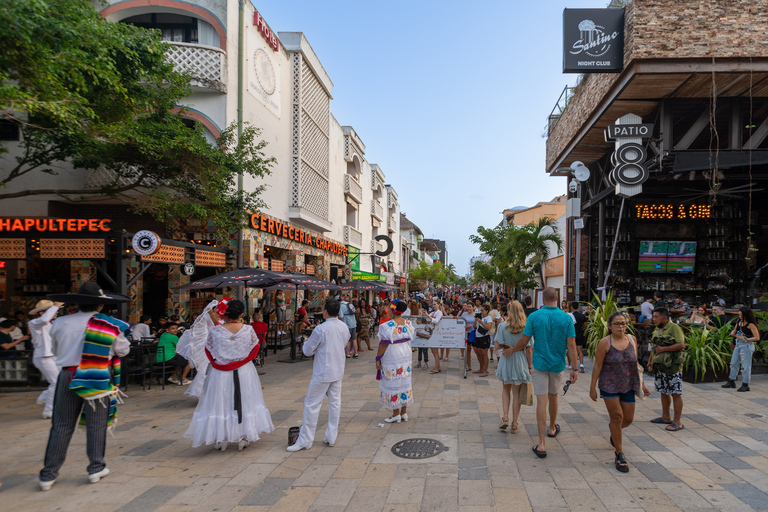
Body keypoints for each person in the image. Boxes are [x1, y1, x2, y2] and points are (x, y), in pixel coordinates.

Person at [39, 282, 131, 490]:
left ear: (78, 303)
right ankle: (96, 467)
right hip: (97, 375)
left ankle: (48, 474)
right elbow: (123, 350)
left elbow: (55, 349)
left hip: (67, 374)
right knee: (97, 424)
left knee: (61, 424)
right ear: (100, 305)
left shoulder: (60, 322)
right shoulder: (109, 324)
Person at [184, 299, 274, 451]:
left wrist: (222, 361)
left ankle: (222, 438)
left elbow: (209, 351)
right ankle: (244, 436)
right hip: (244, 371)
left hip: (220, 372)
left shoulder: (215, 331)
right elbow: (254, 349)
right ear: (242, 314)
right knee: (245, 400)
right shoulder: (248, 330)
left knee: (221, 401)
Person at [503, 287, 578, 459]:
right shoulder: (566, 318)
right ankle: (552, 427)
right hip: (557, 365)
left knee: (541, 401)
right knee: (554, 396)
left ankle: (542, 444)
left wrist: (513, 350)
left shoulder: (534, 317)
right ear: (557, 298)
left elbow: (524, 341)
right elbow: (572, 345)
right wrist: (574, 368)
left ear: (542, 299)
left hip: (539, 364)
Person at [589, 312, 651, 473]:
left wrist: (642, 384)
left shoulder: (632, 340)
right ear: (609, 326)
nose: (620, 326)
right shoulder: (605, 343)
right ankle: (620, 453)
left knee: (628, 419)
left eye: (623, 323)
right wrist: (592, 387)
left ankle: (614, 431)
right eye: (617, 323)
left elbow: (635, 363)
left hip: (629, 384)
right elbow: (597, 366)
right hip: (609, 384)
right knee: (617, 416)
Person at [288, 299, 349, 451]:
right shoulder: (343, 327)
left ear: (326, 311)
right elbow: (343, 344)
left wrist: (306, 344)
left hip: (323, 371)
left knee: (312, 404)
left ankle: (306, 440)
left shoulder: (321, 329)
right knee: (335, 403)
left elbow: (308, 351)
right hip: (337, 369)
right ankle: (331, 436)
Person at [494, 301, 532, 434]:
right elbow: (529, 349)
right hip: (520, 359)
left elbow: (497, 345)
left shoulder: (503, 326)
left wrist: (503, 349)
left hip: (506, 357)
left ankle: (505, 416)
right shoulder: (526, 326)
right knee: (516, 393)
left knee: (505, 389)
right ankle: (515, 423)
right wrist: (530, 366)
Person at [647, 308, 685, 432]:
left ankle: (677, 422)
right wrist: (650, 360)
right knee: (663, 391)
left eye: (656, 317)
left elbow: (681, 345)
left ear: (664, 318)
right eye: (654, 317)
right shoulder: (657, 329)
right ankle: (666, 417)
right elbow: (654, 346)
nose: (654, 319)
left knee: (675, 393)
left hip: (673, 366)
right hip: (660, 365)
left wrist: (663, 349)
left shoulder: (674, 328)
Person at [376, 301, 415, 423]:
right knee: (404, 381)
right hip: (405, 356)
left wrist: (378, 358)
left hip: (392, 356)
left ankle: (395, 414)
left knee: (394, 383)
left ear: (392, 310)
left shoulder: (387, 326)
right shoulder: (408, 324)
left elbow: (382, 345)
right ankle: (403, 412)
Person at [28, 300, 63, 419]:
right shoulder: (34, 323)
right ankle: (49, 409)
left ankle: (44, 396)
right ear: (42, 312)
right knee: (56, 382)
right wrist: (56, 306)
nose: (56, 312)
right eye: (53, 311)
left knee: (62, 381)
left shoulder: (52, 324)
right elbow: (43, 320)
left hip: (55, 356)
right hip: (44, 357)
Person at [722, 306, 761, 392]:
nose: (740, 317)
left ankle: (745, 383)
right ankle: (731, 380)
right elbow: (735, 329)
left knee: (745, 366)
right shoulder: (739, 321)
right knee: (733, 362)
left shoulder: (751, 324)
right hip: (738, 343)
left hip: (746, 345)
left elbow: (757, 337)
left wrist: (746, 339)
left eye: (741, 315)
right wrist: (733, 333)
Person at [473, 304, 493, 377]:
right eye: (480, 310)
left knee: (484, 354)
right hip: (478, 336)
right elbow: (474, 327)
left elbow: (488, 327)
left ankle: (485, 370)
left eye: (482, 310)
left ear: (487, 311)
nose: (481, 312)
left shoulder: (488, 318)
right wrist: (476, 321)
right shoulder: (479, 317)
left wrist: (481, 322)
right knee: (479, 353)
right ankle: (481, 368)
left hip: (484, 337)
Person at [339, 294, 358, 358]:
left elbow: (341, 317)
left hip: (347, 324)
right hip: (353, 324)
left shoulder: (341, 306)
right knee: (354, 339)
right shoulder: (349, 304)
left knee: (347, 339)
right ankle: (356, 353)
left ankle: (347, 354)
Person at [571, 302, 588, 373]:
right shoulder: (582, 316)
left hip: (572, 335)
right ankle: (581, 364)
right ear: (578, 307)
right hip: (580, 334)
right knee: (580, 350)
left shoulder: (570, 316)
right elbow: (585, 325)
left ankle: (573, 364)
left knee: (573, 350)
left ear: (571, 307)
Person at [428, 300, 443, 374]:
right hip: (432, 332)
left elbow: (436, 321)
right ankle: (437, 366)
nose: (433, 306)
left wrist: (429, 317)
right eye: (433, 304)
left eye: (435, 304)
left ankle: (437, 368)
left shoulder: (439, 312)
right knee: (433, 351)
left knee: (435, 351)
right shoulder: (433, 312)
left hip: (436, 333)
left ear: (438, 305)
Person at [460, 303, 476, 371]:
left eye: (470, 307)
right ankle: (468, 366)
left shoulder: (476, 314)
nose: (469, 308)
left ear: (473, 307)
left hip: (474, 333)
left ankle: (482, 367)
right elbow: (461, 322)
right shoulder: (464, 314)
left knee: (477, 350)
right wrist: (466, 325)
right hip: (467, 333)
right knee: (468, 350)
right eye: (468, 307)